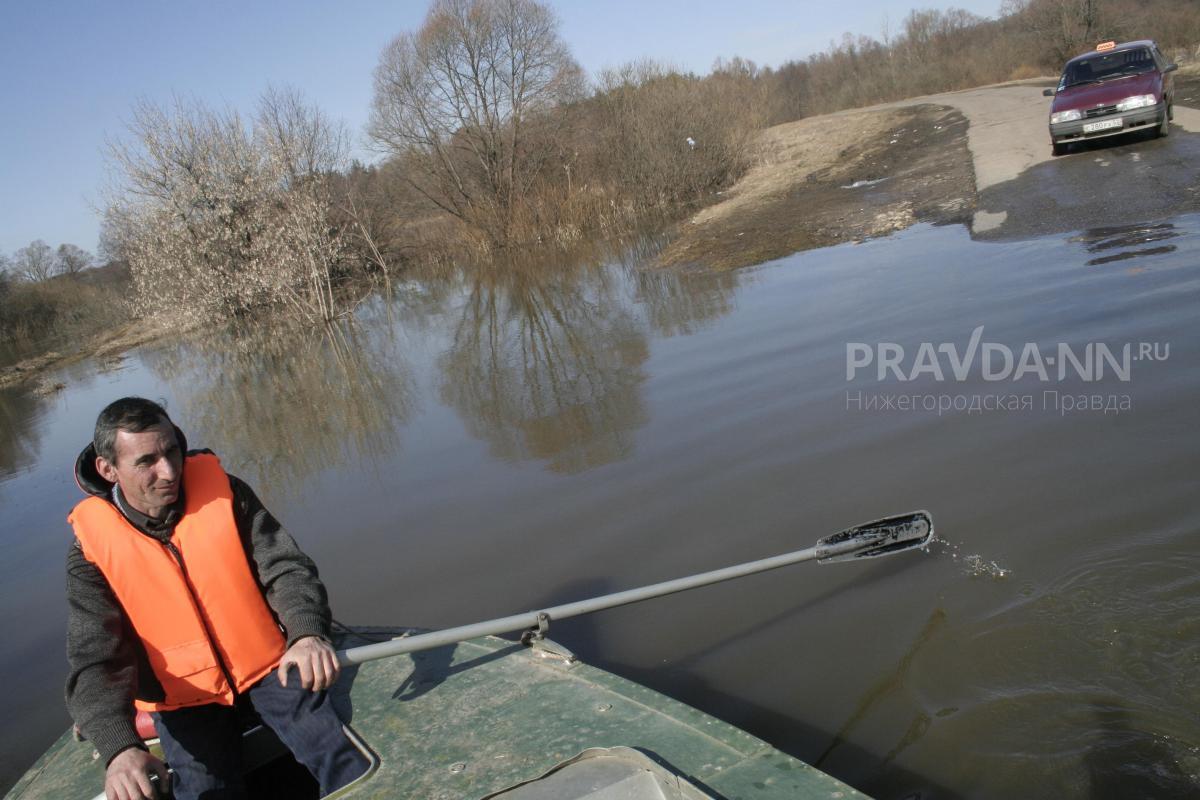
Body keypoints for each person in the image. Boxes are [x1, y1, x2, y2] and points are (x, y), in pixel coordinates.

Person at [65, 397, 369, 800]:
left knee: (345, 760)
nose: (169, 471)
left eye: (172, 450)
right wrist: (119, 748)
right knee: (205, 792)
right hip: (183, 701)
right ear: (108, 469)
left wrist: (306, 633)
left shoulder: (228, 494)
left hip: (269, 669)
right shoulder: (88, 556)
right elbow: (95, 658)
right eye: (147, 461)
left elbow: (286, 568)